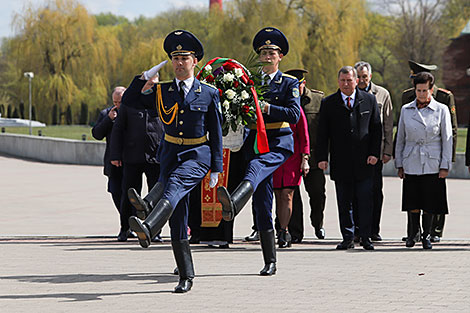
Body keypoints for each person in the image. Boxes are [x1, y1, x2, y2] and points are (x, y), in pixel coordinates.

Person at [127, 30, 223, 293]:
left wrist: (217, 167)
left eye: (184, 58)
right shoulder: (162, 91)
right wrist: (144, 78)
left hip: (197, 155)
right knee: (178, 217)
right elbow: (129, 100)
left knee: (175, 185)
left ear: (195, 62)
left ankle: (148, 223)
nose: (179, 63)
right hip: (170, 155)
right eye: (175, 58)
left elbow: (216, 131)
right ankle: (186, 274)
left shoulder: (209, 93)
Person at [217, 27, 301, 275]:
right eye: (263, 52)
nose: (266, 57)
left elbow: (294, 115)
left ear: (280, 56)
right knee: (262, 204)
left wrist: (266, 108)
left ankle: (233, 201)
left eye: (271, 53)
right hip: (254, 141)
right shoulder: (248, 82)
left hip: (278, 142)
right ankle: (270, 260)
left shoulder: (289, 83)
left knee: (256, 167)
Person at [316, 66, 382, 251]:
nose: (346, 84)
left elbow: (376, 129)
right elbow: (323, 134)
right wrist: (322, 157)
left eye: (349, 80)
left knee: (365, 201)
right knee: (344, 202)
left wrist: (374, 153)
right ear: (338, 81)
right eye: (342, 80)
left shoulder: (369, 100)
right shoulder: (329, 103)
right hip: (341, 161)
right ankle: (347, 237)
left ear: (356, 81)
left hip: (365, 161)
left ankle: (366, 237)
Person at [401, 60, 457, 243]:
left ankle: (428, 235)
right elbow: (400, 137)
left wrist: (445, 164)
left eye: (425, 90)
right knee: (412, 200)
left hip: (432, 161)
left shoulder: (441, 109)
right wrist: (399, 163)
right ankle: (412, 234)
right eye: (418, 90)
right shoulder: (406, 109)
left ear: (431, 90)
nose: (421, 94)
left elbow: (448, 138)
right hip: (412, 160)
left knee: (430, 201)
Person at [109, 74, 164, 243]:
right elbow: (117, 130)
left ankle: (154, 229)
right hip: (132, 156)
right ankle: (125, 229)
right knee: (129, 194)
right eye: (149, 84)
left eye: (154, 84)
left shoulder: (162, 101)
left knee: (155, 195)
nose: (151, 87)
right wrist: (115, 155)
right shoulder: (130, 101)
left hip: (156, 156)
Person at [284, 69, 326, 242]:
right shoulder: (284, 99)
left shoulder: (318, 100)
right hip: (291, 158)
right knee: (292, 195)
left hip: (314, 157)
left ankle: (318, 223)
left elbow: (325, 131)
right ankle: (296, 233)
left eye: (298, 85)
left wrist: (325, 155)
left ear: (304, 84)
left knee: (317, 193)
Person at [353, 61, 393, 242]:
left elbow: (388, 124)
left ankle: (373, 230)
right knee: (355, 192)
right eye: (359, 77)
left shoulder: (382, 94)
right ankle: (357, 230)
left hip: (376, 152)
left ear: (370, 77)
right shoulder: (350, 93)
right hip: (356, 151)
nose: (361, 80)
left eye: (364, 77)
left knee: (375, 191)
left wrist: (387, 151)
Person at [91, 87, 128, 241]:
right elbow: (97, 134)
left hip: (129, 161)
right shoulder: (106, 114)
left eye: (121, 102)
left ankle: (126, 227)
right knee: (115, 191)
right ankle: (127, 222)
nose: (118, 105)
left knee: (129, 194)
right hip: (112, 161)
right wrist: (109, 119)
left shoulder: (131, 113)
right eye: (115, 102)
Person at [272, 102, 309, 248]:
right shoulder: (272, 106)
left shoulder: (296, 108)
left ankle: (284, 230)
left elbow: (304, 135)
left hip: (292, 159)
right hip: (274, 156)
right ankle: (280, 227)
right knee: (277, 195)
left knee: (287, 195)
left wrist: (305, 159)